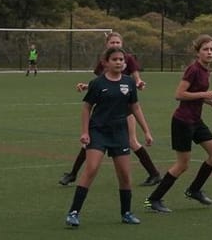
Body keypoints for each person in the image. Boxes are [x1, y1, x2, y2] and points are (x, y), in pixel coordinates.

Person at [62, 32, 162, 187]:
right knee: (89, 142)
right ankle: (73, 174)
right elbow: (103, 83)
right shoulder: (104, 61)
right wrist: (87, 86)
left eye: (118, 43)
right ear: (107, 44)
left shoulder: (127, 58)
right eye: (112, 43)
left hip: (124, 111)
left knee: (132, 142)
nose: (115, 45)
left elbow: (134, 79)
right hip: (107, 112)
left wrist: (139, 83)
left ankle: (154, 174)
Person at [64, 48, 149, 228]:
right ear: (106, 62)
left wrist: (146, 131)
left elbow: (135, 108)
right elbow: (87, 107)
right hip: (99, 131)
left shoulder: (129, 83)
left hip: (119, 133)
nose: (119, 62)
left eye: (121, 60)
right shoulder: (97, 83)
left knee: (125, 175)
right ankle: (73, 212)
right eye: (115, 59)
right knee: (92, 168)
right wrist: (85, 132)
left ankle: (126, 212)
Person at [145, 35, 212, 213]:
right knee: (182, 165)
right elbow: (179, 94)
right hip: (182, 121)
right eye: (205, 49)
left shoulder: (206, 70)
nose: (209, 52)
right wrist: (205, 95)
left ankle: (194, 190)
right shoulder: (193, 69)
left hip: (196, 121)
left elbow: (197, 93)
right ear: (198, 52)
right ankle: (153, 200)